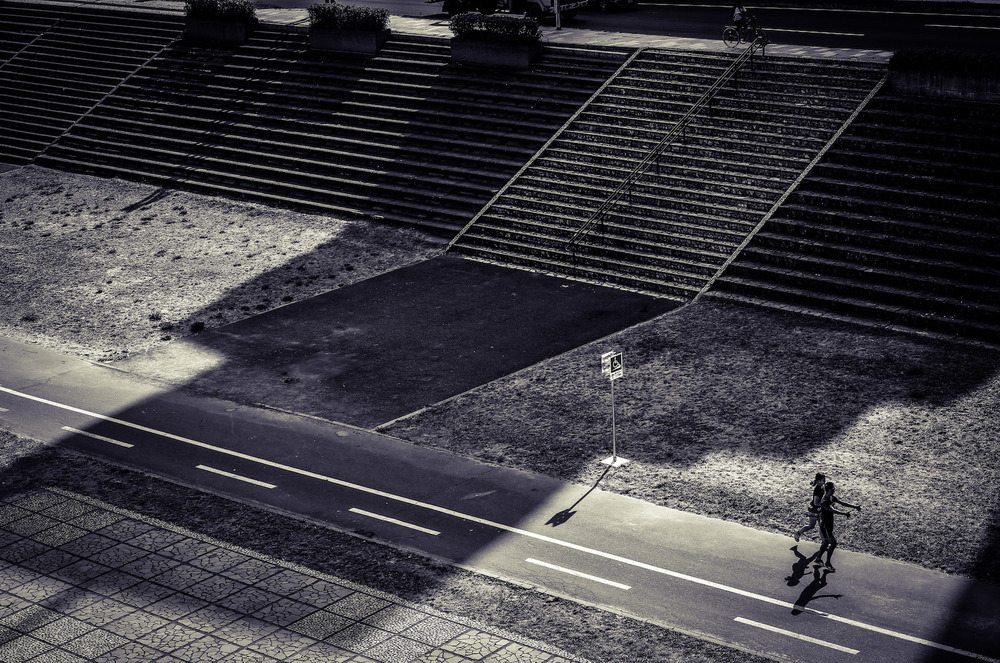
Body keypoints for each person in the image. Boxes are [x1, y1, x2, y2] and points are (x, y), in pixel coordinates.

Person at [816, 482, 860, 571]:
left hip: (829, 524)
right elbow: (832, 510)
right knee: (833, 543)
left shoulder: (832, 498)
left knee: (825, 543)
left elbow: (842, 503)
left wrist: (855, 506)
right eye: (833, 489)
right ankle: (828, 563)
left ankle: (818, 558)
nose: (834, 490)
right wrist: (844, 513)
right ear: (828, 490)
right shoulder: (824, 501)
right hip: (825, 526)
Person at [793, 473, 826, 542]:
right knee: (811, 526)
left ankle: (824, 543)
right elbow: (816, 503)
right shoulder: (817, 489)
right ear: (818, 481)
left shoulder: (822, 487)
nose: (824, 481)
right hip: (814, 510)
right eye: (823, 480)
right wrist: (824, 504)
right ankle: (798, 533)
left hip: (818, 510)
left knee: (821, 527)